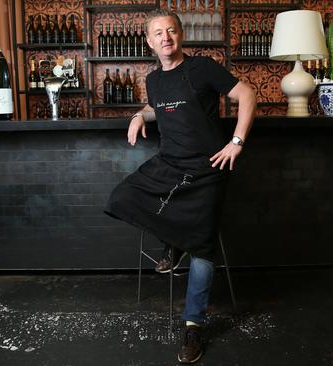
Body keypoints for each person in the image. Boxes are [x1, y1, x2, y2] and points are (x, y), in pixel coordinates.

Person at [104, 9, 256, 364]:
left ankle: (193, 326)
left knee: (202, 247)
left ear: (180, 35)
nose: (165, 38)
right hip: (169, 164)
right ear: (149, 41)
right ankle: (172, 241)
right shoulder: (154, 80)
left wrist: (236, 141)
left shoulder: (202, 68)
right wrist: (139, 114)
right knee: (122, 196)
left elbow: (247, 95)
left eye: (171, 31)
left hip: (208, 167)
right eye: (158, 33)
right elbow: (158, 105)